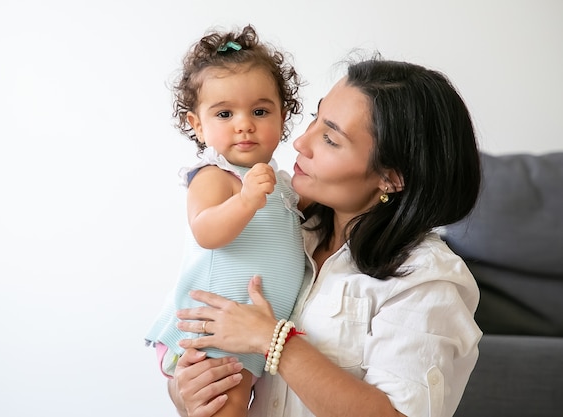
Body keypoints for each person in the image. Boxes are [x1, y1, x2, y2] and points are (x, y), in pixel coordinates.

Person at [167, 54, 484, 417]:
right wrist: (186, 391)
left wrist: (273, 340)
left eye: (330, 139)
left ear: (391, 178)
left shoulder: (427, 279)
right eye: (316, 118)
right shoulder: (288, 229)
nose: (301, 142)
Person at [144, 24, 306, 417]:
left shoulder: (283, 185)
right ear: (197, 125)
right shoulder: (215, 176)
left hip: (252, 331)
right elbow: (206, 230)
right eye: (224, 113)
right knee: (225, 406)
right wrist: (247, 199)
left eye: (260, 111)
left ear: (283, 118)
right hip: (215, 327)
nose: (244, 124)